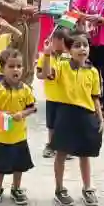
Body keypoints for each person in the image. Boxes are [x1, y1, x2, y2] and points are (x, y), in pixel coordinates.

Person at [40, 31, 103, 206]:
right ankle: (59, 189)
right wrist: (46, 54)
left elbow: (95, 96)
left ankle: (87, 188)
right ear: (69, 50)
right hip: (66, 114)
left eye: (85, 45)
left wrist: (99, 116)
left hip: (86, 115)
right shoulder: (61, 66)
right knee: (61, 153)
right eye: (77, 46)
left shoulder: (93, 71)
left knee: (85, 154)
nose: (82, 49)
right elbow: (46, 74)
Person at [0, 48, 37, 205]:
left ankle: (16, 188)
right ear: (2, 69)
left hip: (19, 135)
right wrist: (0, 113)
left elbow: (32, 107)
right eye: (11, 66)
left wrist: (23, 113)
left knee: (18, 164)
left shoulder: (26, 89)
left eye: (19, 66)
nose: (16, 69)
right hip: (2, 133)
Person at [36, 28, 71, 158]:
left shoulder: (70, 57)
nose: (58, 44)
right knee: (51, 124)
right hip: (52, 97)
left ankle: (65, 146)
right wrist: (46, 55)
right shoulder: (46, 56)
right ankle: (51, 145)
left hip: (68, 97)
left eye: (63, 41)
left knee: (66, 124)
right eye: (55, 41)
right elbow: (40, 74)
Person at [21, 0, 49, 75]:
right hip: (16, 23)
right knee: (15, 54)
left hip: (33, 24)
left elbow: (49, 6)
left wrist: (40, 10)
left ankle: (28, 84)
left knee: (31, 54)